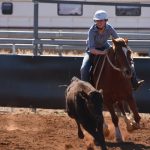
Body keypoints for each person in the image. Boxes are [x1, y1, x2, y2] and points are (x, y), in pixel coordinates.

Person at [80, 10, 144, 90]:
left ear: (105, 21)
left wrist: (124, 48)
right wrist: (103, 53)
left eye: (101, 20)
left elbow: (118, 39)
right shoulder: (91, 31)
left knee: (126, 60)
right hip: (92, 51)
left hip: (105, 47)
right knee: (84, 68)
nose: (99, 22)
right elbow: (92, 49)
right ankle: (86, 89)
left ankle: (134, 82)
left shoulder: (109, 28)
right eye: (97, 21)